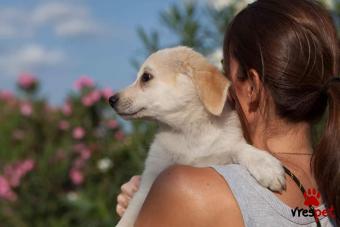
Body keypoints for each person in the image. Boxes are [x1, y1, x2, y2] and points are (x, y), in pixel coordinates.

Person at [116, 0, 340, 226]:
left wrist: (158, 204)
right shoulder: (332, 187)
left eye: (225, 71)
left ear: (251, 87)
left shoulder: (186, 191)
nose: (221, 86)